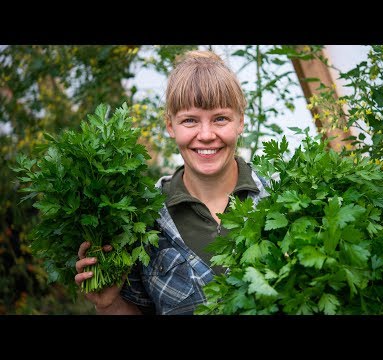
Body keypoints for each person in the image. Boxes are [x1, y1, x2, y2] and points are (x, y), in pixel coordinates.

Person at [74, 50, 269, 314]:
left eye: (220, 118)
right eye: (190, 120)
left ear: (240, 121)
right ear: (170, 126)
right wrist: (111, 304)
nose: (206, 135)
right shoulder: (144, 218)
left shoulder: (278, 196)